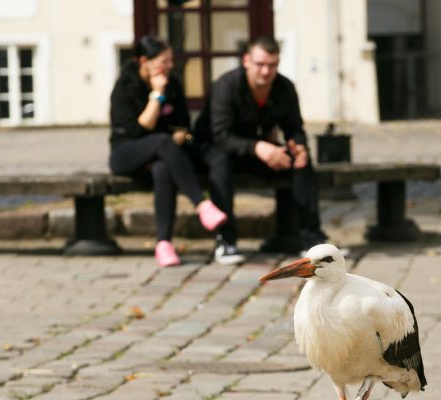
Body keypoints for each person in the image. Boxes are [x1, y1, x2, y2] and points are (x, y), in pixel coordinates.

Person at [194, 35, 332, 259]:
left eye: (272, 65)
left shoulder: (285, 87)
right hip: (213, 151)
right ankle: (225, 240)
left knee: (299, 162)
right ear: (246, 61)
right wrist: (259, 147)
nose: (266, 72)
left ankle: (312, 238)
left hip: (255, 151)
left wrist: (300, 147)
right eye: (260, 65)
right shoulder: (226, 86)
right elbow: (220, 136)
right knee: (221, 163)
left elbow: (294, 127)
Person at [109, 35, 237, 267]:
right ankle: (202, 205)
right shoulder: (124, 87)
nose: (169, 66)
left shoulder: (174, 83)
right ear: (144, 61)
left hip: (166, 156)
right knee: (161, 142)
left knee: (162, 167)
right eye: (163, 61)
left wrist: (171, 135)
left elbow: (182, 124)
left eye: (170, 61)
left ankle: (163, 245)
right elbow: (137, 131)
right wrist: (157, 96)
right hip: (126, 153)